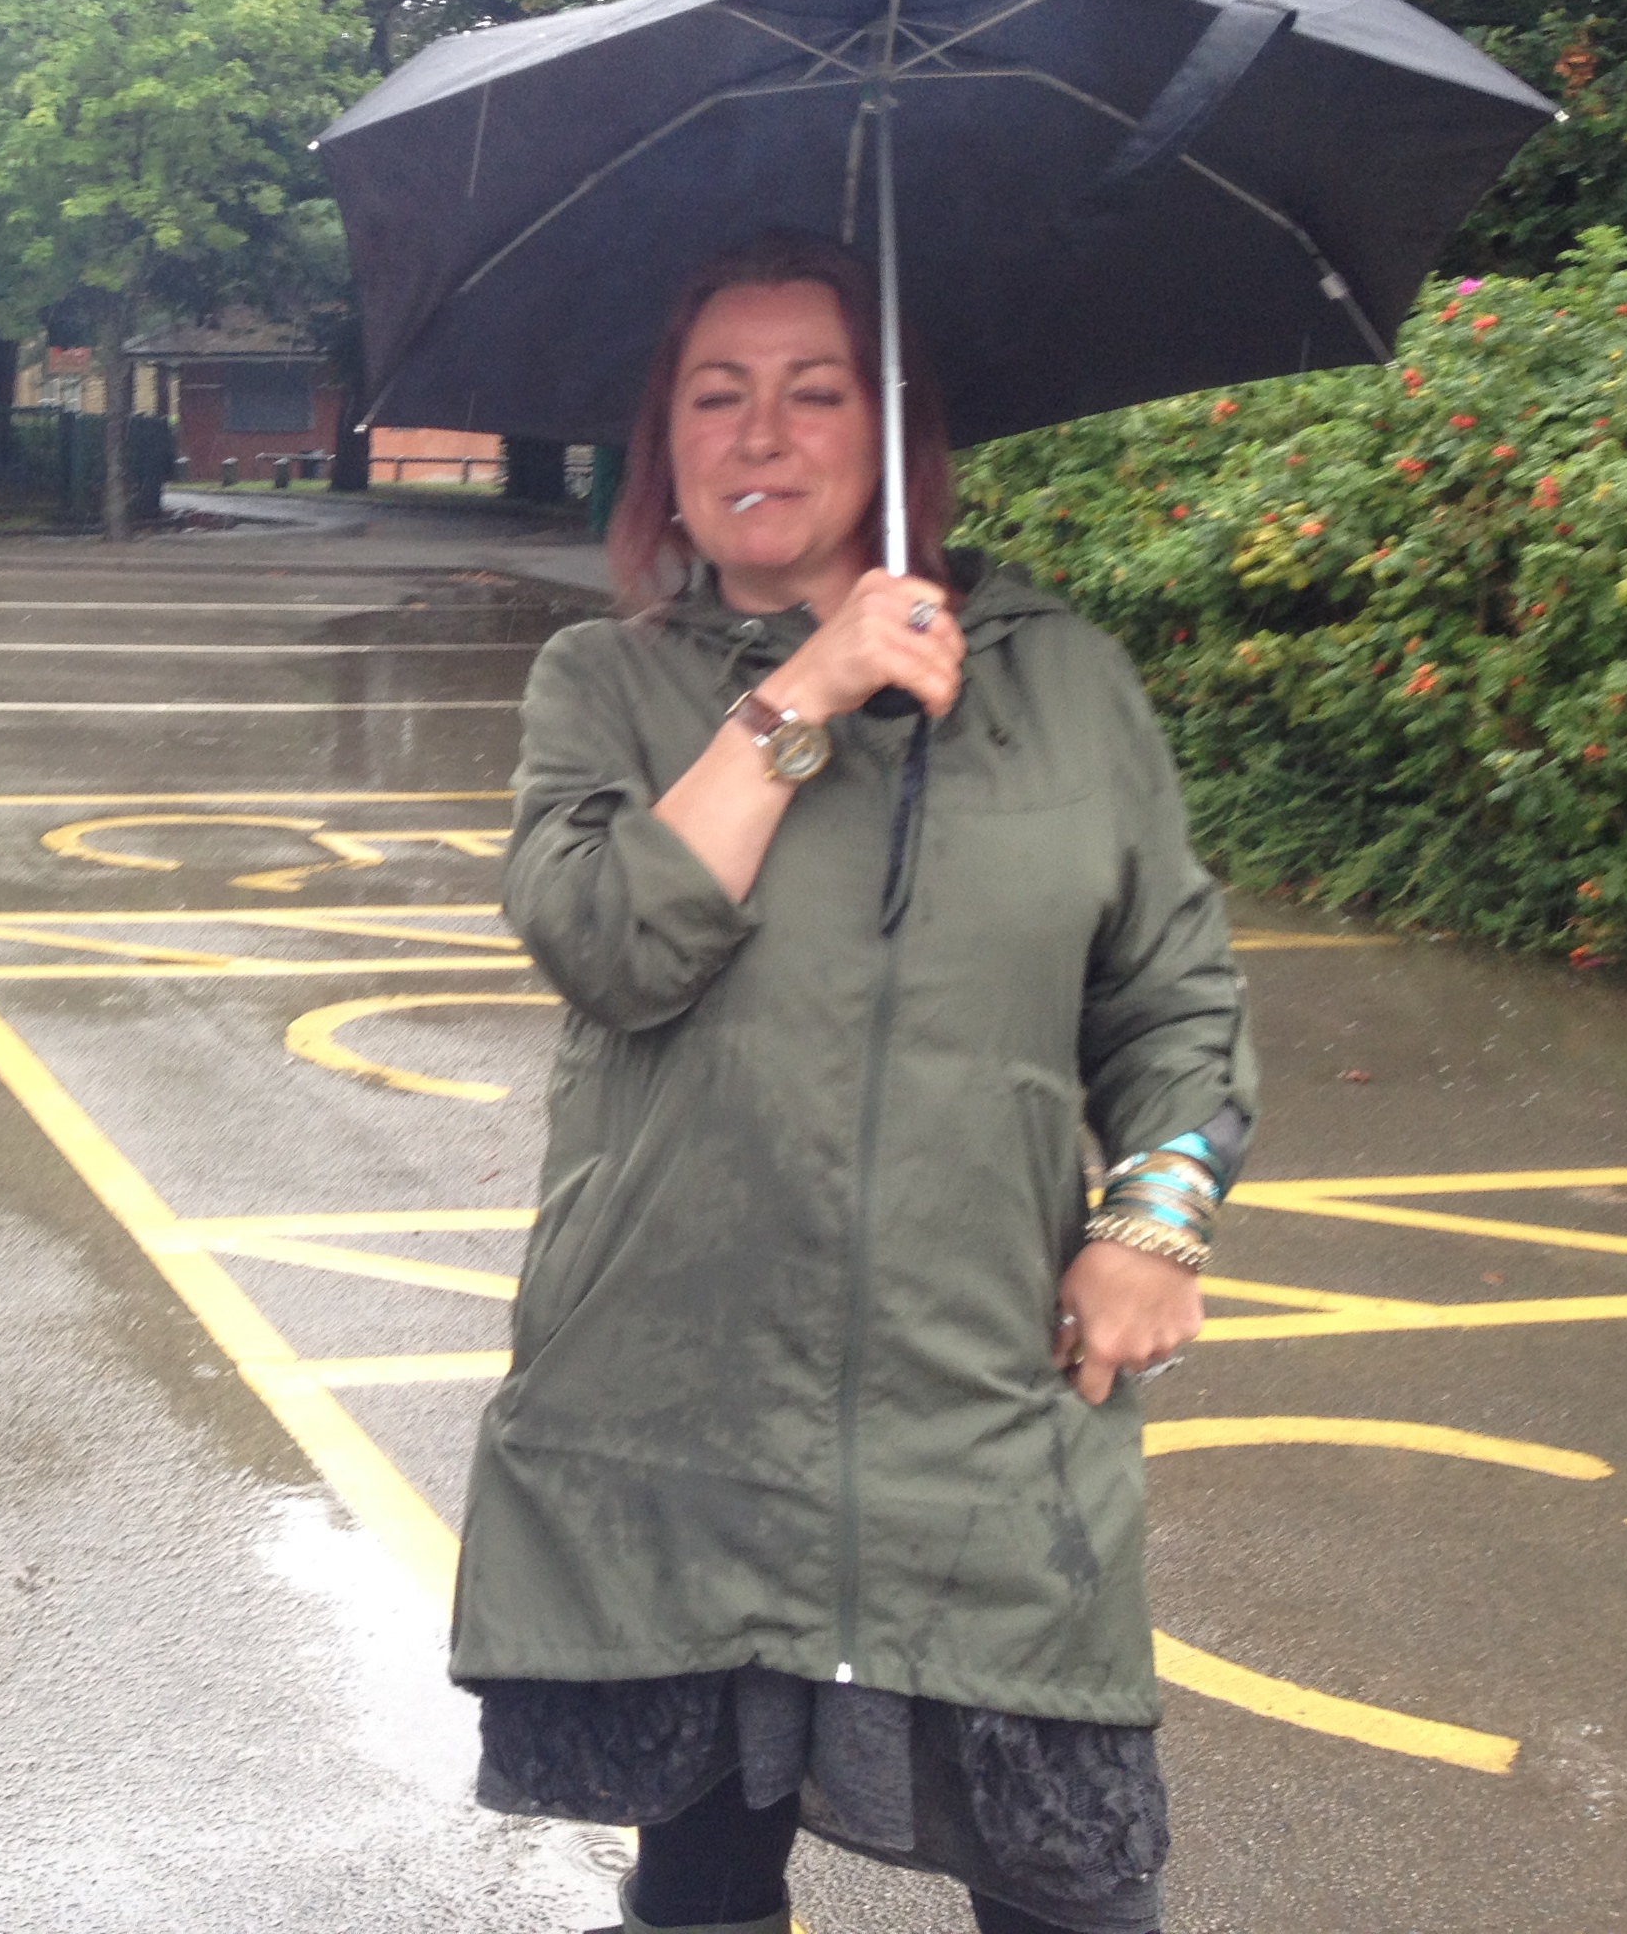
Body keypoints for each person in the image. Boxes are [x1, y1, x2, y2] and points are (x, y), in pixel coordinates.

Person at [453, 232, 1255, 1934]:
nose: (761, 434)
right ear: (664, 443)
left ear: (893, 431)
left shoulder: (1067, 682)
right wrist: (805, 691)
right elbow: (609, 944)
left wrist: (1157, 1217)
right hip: (680, 1410)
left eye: (813, 393)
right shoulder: (607, 683)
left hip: (980, 1411)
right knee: (704, 1880)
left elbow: (1173, 996)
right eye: (715, 396)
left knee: (1074, 1890)